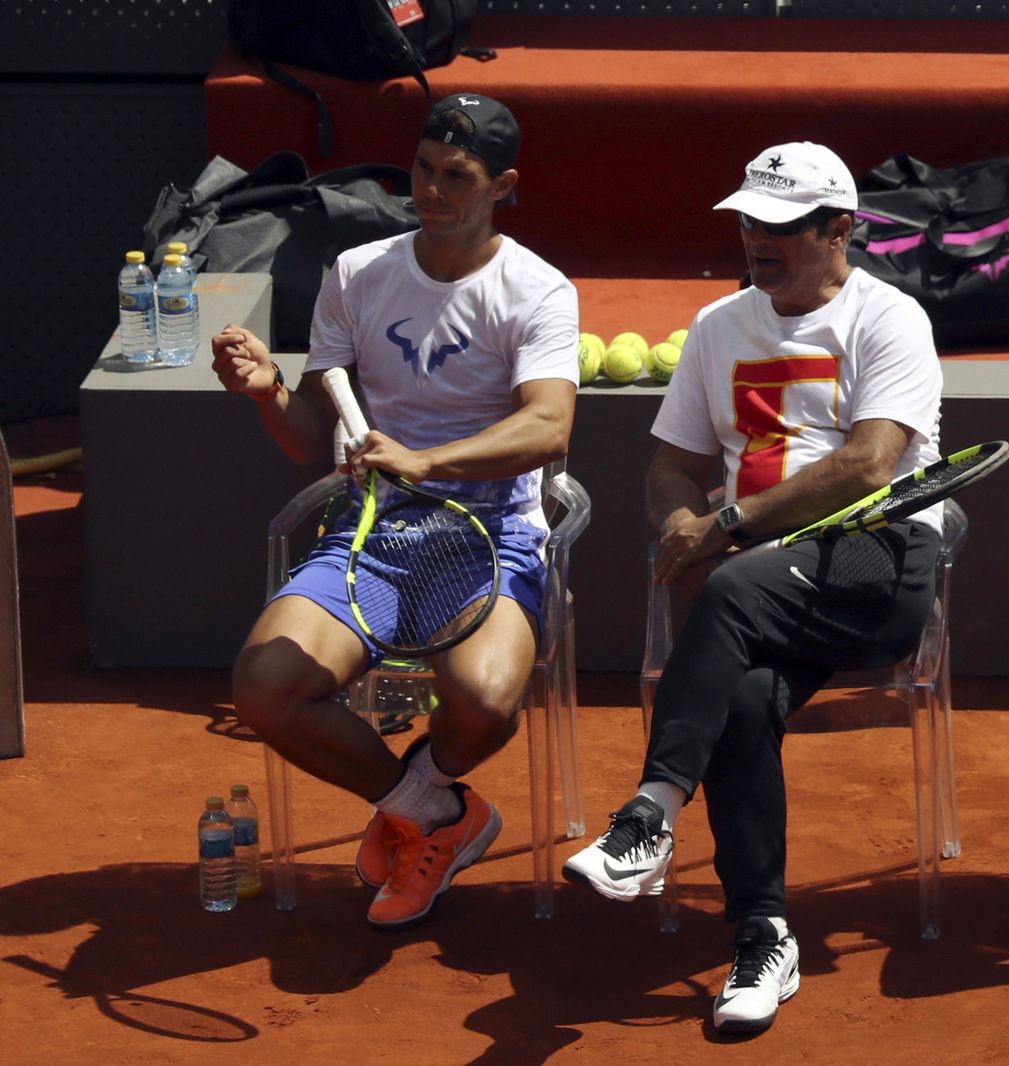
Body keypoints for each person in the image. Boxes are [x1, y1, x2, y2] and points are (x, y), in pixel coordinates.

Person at [561, 141, 944, 1033]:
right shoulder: (717, 326)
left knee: (730, 590)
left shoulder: (890, 320)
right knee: (739, 699)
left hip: (873, 565)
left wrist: (722, 530)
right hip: (757, 580)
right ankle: (764, 932)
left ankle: (651, 812)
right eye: (746, 221)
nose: (753, 240)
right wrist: (678, 528)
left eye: (776, 225)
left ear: (837, 230)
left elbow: (868, 464)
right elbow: (674, 467)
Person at [210, 94, 579, 930]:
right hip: (375, 531)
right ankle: (434, 811)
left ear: (503, 186)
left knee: (484, 703)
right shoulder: (359, 273)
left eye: (458, 177)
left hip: (495, 528)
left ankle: (422, 797)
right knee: (265, 688)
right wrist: (266, 389)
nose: (433, 190)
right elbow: (311, 434)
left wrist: (427, 459)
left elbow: (549, 424)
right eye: (423, 169)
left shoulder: (537, 289)